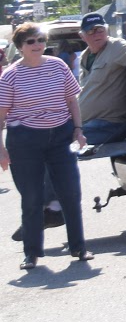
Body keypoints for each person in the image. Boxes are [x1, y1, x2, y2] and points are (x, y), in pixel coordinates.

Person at [0, 23, 93, 270]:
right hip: (24, 141)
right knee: (32, 198)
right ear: (19, 47)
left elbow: (72, 100)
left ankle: (78, 247)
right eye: (30, 42)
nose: (37, 45)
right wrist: (1, 149)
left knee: (70, 194)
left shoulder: (58, 66)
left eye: (40, 40)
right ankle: (31, 253)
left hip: (60, 137)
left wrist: (78, 130)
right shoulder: (9, 76)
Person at [74, 12, 126, 145]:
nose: (97, 33)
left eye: (100, 29)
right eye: (91, 31)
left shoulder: (116, 46)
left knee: (63, 146)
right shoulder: (85, 56)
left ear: (106, 30)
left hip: (110, 124)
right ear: (82, 36)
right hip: (87, 124)